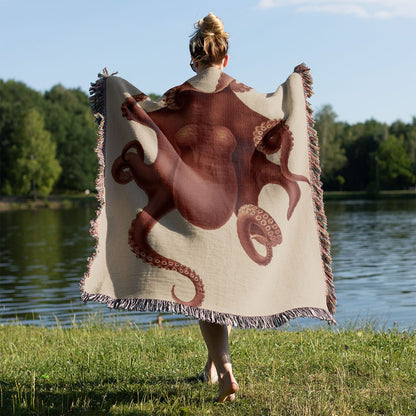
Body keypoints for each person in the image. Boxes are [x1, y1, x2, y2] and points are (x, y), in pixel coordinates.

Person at [188, 13, 238, 403]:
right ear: (225, 58)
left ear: (194, 59)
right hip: (233, 205)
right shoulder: (240, 93)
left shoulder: (179, 95)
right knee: (222, 289)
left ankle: (225, 372)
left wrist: (114, 89)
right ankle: (210, 367)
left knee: (204, 295)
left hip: (194, 207)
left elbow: (144, 118)